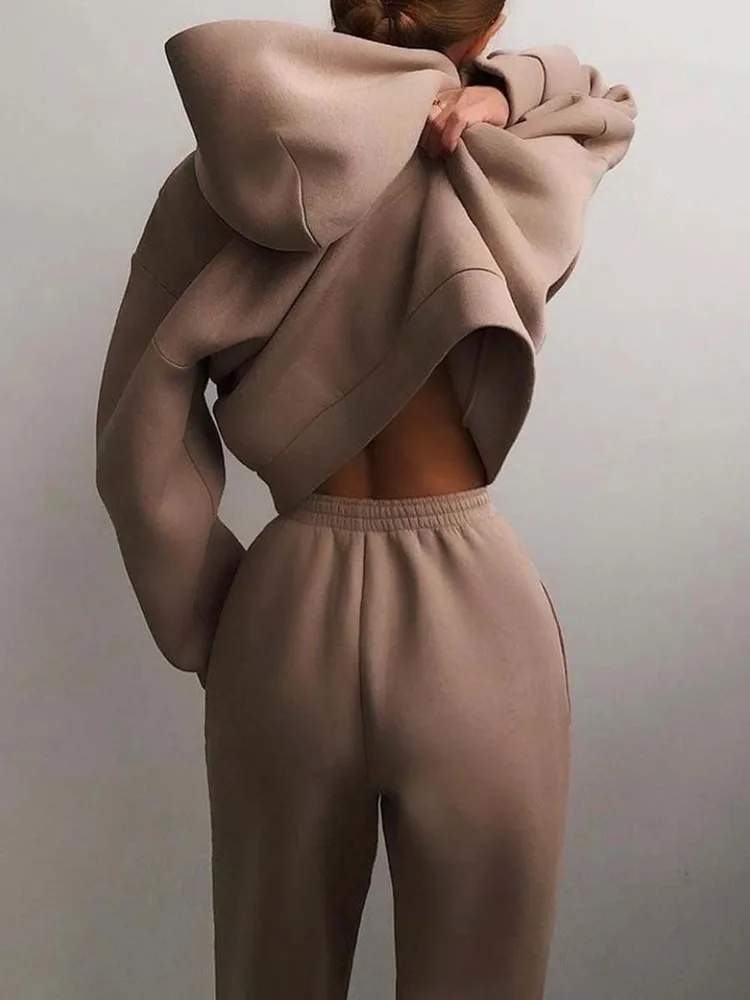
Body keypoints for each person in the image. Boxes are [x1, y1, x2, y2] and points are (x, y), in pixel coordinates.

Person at [95, 3, 636, 997]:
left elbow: (138, 456)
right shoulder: (511, 159)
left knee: (271, 973)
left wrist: (222, 631)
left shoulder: (218, 179)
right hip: (480, 623)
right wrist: (501, 90)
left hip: (286, 609)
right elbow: (607, 103)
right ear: (489, 24)